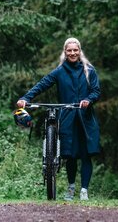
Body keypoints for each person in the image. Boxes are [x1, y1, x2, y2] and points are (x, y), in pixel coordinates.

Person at [16, 37, 101, 201]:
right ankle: (70, 188)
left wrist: (88, 100)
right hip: (68, 118)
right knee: (70, 155)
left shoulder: (89, 70)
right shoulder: (59, 72)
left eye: (75, 50)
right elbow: (42, 84)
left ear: (80, 51)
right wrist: (26, 98)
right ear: (65, 52)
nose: (72, 53)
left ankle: (84, 190)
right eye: (69, 50)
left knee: (85, 155)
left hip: (85, 119)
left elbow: (96, 91)